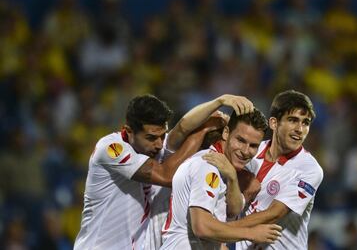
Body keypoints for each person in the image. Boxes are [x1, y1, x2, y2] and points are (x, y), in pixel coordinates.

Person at [74, 94, 255, 250]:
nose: (160, 144)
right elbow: (167, 176)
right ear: (128, 131)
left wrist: (218, 101)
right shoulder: (111, 148)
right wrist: (204, 129)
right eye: (152, 138)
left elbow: (182, 128)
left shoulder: (152, 148)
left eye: (162, 135)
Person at [205, 89, 324, 249]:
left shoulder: (309, 169)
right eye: (293, 120)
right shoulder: (249, 151)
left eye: (305, 123)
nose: (300, 129)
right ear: (274, 123)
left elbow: (274, 214)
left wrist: (220, 232)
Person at [160, 109, 282, 250]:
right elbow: (202, 227)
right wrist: (250, 233)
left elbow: (233, 210)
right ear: (226, 133)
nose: (245, 150)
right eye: (240, 140)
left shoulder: (225, 169)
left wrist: (232, 178)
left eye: (253, 145)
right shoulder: (207, 164)